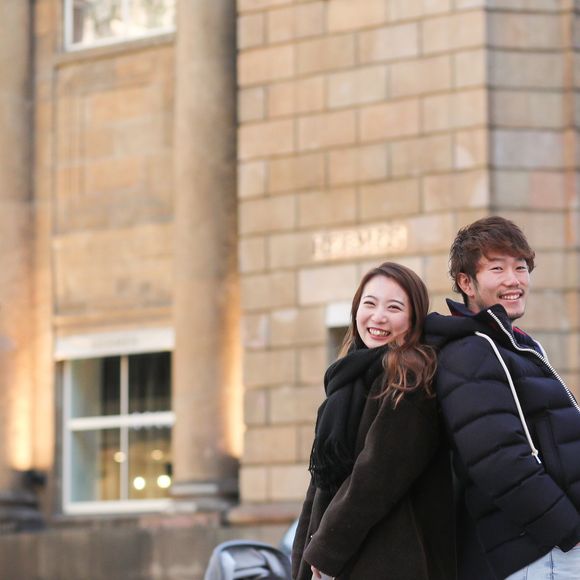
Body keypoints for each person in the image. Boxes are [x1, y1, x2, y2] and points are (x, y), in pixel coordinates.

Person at [425, 216, 580, 580]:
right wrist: (570, 532)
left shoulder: (514, 344)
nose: (513, 279)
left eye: (520, 267)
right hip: (544, 555)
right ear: (466, 282)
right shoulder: (471, 351)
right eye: (497, 268)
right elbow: (500, 462)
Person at [292, 262, 455, 580]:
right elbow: (322, 483)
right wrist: (304, 557)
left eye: (394, 307)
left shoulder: (409, 378)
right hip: (342, 557)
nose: (378, 317)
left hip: (388, 560)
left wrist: (325, 553)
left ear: (413, 319)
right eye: (370, 304)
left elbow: (376, 476)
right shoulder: (346, 381)